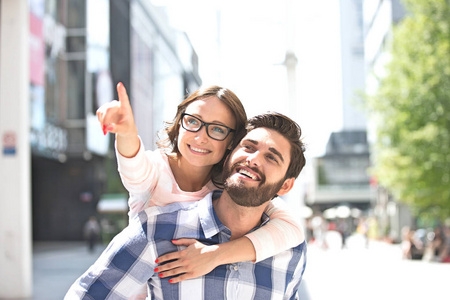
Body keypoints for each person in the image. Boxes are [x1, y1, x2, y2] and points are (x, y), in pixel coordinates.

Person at [65, 112, 307, 299]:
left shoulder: (291, 251)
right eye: (249, 147)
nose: (253, 159)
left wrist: (216, 255)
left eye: (271, 157)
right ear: (230, 155)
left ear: (285, 186)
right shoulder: (159, 230)